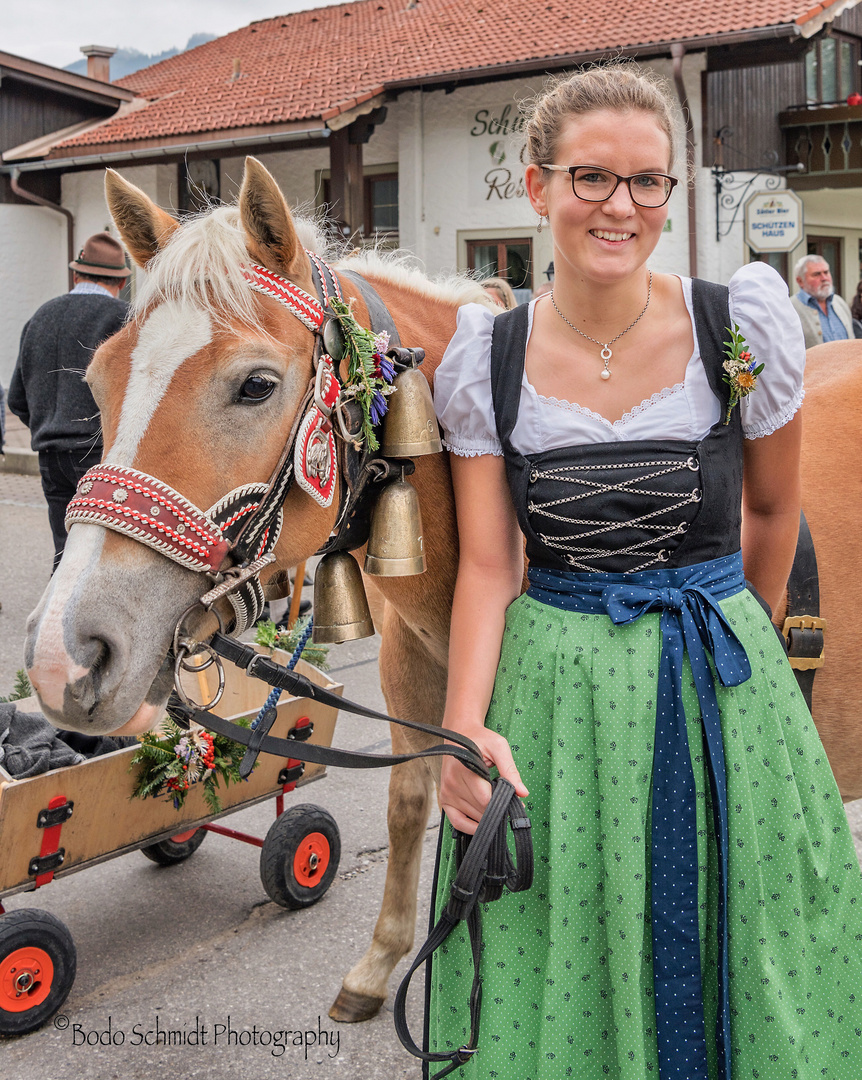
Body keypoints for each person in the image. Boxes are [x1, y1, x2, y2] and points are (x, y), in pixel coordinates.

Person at [429, 63, 862, 1080]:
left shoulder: (735, 325)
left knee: (744, 925)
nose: (619, 206)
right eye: (590, 177)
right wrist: (463, 728)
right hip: (553, 694)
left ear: (671, 192)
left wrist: (732, 659)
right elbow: (491, 567)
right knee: (567, 930)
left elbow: (767, 511)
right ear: (537, 188)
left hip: (714, 675)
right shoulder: (486, 356)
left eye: (647, 182)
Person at [8, 233, 130, 570]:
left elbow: (18, 398)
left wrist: (47, 423)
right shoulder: (124, 318)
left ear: (77, 275)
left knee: (65, 554)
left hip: (49, 455)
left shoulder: (40, 317)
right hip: (99, 454)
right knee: (100, 561)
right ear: (120, 281)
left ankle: (55, 621)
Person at [789, 254, 853, 347]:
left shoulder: (840, 303)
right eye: (816, 274)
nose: (824, 278)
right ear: (800, 281)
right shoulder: (791, 308)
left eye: (826, 272)